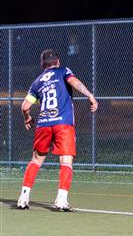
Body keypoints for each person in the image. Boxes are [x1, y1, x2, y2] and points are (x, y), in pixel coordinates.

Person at [17, 49, 98, 211]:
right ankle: (61, 199)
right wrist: (89, 95)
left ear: (42, 65)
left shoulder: (37, 82)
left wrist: (27, 118)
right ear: (58, 62)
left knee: (35, 161)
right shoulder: (63, 71)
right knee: (66, 161)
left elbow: (25, 106)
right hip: (63, 123)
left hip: (44, 124)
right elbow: (74, 82)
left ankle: (23, 196)